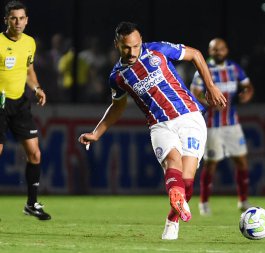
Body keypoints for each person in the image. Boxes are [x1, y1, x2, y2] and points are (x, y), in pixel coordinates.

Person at [78, 21, 226, 240]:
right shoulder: (117, 77)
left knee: (186, 185)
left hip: (190, 117)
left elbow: (195, 54)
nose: (132, 52)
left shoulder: (158, 49)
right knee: (172, 163)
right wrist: (97, 133)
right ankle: (175, 202)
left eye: (136, 46)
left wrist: (211, 86)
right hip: (159, 125)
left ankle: (171, 221)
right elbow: (117, 106)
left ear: (141, 42)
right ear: (117, 44)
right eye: (126, 47)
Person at [190, 38, 254, 215]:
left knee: (241, 161)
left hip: (232, 124)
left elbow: (248, 86)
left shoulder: (234, 68)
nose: (218, 52)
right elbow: (194, 93)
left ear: (226, 50)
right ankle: (204, 202)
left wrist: (247, 95)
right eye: (214, 50)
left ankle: (243, 200)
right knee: (211, 164)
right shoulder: (204, 70)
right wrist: (209, 102)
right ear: (209, 52)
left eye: (221, 49)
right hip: (212, 126)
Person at [0, 0, 50, 220]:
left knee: (35, 153)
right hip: (0, 104)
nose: (18, 22)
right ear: (6, 20)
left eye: (21, 18)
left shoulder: (29, 43)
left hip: (19, 103)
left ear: (26, 20)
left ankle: (31, 203)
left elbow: (29, 70)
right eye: (13, 18)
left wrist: (37, 88)